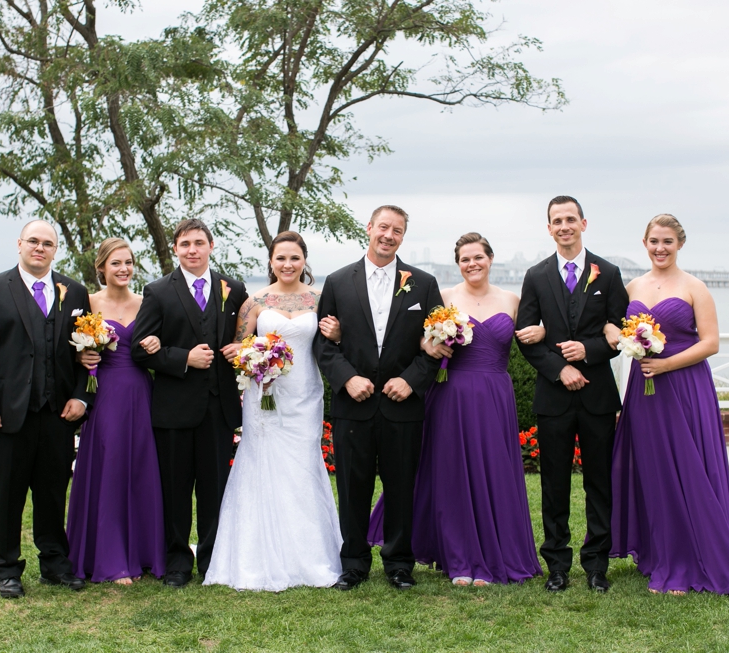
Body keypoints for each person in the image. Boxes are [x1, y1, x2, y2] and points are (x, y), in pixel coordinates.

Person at [363, 233, 545, 586]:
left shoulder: (513, 299)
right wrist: (431, 342)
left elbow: (534, 333)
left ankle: (496, 555)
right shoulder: (444, 298)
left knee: (494, 471)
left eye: (478, 257)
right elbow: (416, 336)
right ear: (458, 264)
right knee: (452, 475)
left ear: (490, 259)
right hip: (451, 393)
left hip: (494, 394)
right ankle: (459, 559)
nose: (472, 264)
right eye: (464, 259)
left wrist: (542, 330)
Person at [608, 214, 729, 595]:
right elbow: (615, 328)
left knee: (688, 470)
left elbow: (711, 343)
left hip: (684, 386)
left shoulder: (695, 287)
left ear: (680, 245)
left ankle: (691, 561)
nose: (660, 248)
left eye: (668, 241)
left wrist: (666, 363)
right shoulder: (633, 285)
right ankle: (661, 554)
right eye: (654, 241)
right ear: (644, 243)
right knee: (653, 471)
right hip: (644, 390)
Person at [204, 231, 342, 591]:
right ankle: (256, 555)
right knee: (262, 465)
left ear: (304, 261)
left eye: (295, 258)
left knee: (302, 467)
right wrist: (247, 356)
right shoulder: (255, 302)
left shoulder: (319, 299)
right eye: (281, 258)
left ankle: (308, 556)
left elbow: (333, 344)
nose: (287, 264)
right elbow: (236, 345)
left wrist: (339, 333)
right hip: (263, 396)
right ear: (270, 261)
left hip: (304, 396)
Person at [313, 205, 442, 591]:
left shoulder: (423, 283)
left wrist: (412, 380)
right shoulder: (337, 282)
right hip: (354, 405)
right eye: (383, 227)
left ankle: (399, 563)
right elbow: (323, 343)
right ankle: (353, 564)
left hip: (403, 405)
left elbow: (439, 343)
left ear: (403, 236)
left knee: (401, 485)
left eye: (397, 230)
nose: (389, 235)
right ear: (369, 228)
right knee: (353, 486)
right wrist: (347, 379)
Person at [0, 220, 93, 599]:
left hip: (57, 414)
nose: (40, 248)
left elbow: (87, 353)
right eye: (34, 241)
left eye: (48, 243)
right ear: (20, 244)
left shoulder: (75, 292)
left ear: (56, 250)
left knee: (53, 493)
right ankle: (6, 569)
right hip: (8, 415)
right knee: (6, 495)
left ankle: (54, 563)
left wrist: (81, 396)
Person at [515, 196, 629, 593]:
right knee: (554, 483)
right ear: (549, 229)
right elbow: (526, 336)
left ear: (583, 223)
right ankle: (557, 566)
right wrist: (560, 368)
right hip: (554, 398)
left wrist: (590, 351)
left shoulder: (609, 273)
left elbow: (621, 333)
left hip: (598, 396)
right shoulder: (536, 275)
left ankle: (597, 565)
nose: (563, 226)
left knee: (599, 482)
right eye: (555, 221)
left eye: (569, 219)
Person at [130, 219, 248, 587]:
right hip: (175, 408)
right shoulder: (158, 291)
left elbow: (247, 337)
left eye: (199, 242)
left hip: (218, 407)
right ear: (176, 249)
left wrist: (241, 350)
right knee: (176, 489)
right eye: (184, 244)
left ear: (211, 245)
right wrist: (182, 358)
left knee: (215, 489)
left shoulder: (234, 288)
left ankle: (213, 559)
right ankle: (178, 561)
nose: (192, 250)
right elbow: (138, 349)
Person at [66, 238, 166, 585]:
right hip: (106, 393)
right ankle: (111, 560)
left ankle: (143, 553)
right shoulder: (87, 304)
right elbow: (65, 348)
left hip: (141, 392)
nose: (123, 269)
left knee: (140, 468)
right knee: (110, 469)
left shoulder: (147, 302)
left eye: (128, 263)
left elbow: (161, 344)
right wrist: (81, 356)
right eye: (116, 263)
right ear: (101, 268)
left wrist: (156, 345)